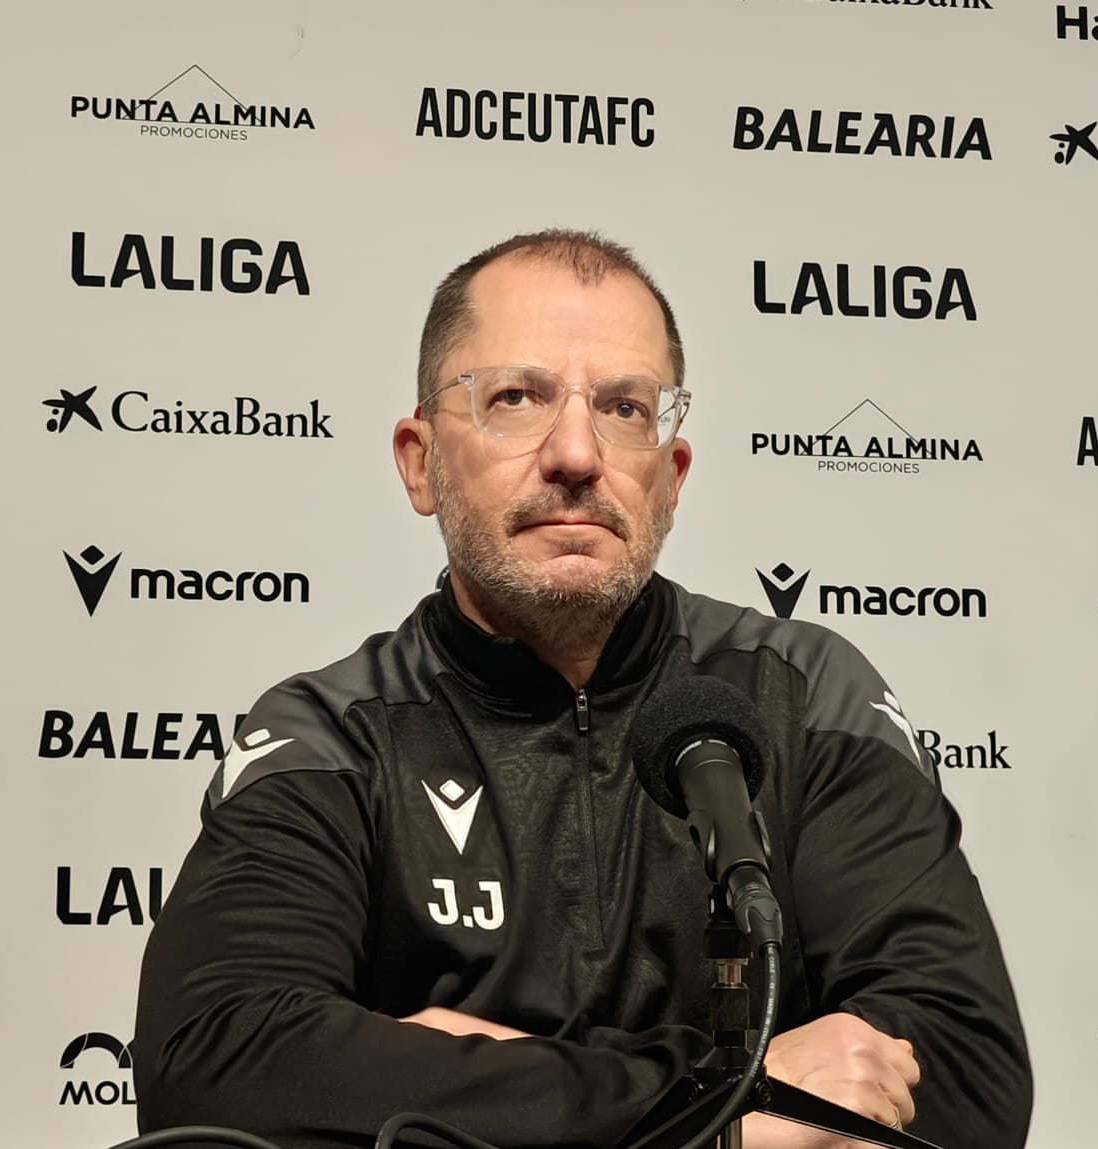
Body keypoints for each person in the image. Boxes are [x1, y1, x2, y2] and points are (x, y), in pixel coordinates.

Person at [133, 230, 1032, 1149]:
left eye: (624, 407)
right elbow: (213, 1061)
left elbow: (968, 1073)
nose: (575, 453)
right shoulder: (336, 732)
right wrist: (726, 1110)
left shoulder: (804, 696)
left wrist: (468, 1079)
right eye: (514, 398)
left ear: (671, 479)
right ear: (419, 461)